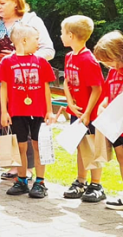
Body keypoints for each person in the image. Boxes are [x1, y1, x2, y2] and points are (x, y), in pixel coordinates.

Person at [0, 0, 55, 180]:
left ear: (16, 2)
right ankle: (14, 166)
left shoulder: (31, 21)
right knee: (7, 124)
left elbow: (48, 50)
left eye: (3, 3)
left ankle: (28, 168)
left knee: (29, 126)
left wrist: (19, 57)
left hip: (28, 84)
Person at [0, 25, 56, 198]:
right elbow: (4, 88)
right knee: (20, 146)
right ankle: (22, 179)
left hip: (38, 111)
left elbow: (46, 88)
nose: (38, 43)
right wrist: (4, 112)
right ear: (24, 41)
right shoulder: (7, 62)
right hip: (17, 111)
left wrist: (49, 111)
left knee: (39, 146)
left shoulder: (41, 62)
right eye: (36, 39)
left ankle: (40, 182)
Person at [59, 16, 106, 202]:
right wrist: (69, 102)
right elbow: (67, 82)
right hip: (76, 113)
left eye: (62, 33)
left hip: (90, 114)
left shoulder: (89, 60)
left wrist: (87, 113)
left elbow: (98, 88)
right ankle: (81, 181)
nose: (60, 36)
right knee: (80, 147)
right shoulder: (69, 57)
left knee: (92, 148)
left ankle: (96, 185)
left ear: (70, 35)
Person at [91, 31, 123, 209]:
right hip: (115, 125)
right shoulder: (112, 73)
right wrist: (103, 106)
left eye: (108, 60)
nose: (107, 64)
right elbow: (106, 94)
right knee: (121, 158)